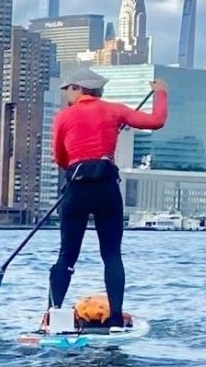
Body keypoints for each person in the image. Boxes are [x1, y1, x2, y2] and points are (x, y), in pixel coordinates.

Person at [48, 68, 168, 329]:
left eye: (68, 89)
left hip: (77, 190)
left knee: (66, 256)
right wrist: (160, 92)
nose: (66, 95)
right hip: (106, 189)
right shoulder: (115, 111)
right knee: (112, 255)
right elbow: (156, 121)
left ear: (78, 89)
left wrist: (79, 163)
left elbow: (59, 158)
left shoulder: (63, 117)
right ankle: (115, 320)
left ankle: (53, 316)